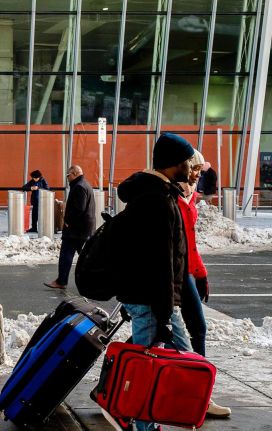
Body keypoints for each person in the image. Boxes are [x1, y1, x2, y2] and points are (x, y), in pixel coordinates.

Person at [106, 133, 195, 431]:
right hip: (151, 297)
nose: (189, 167)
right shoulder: (157, 200)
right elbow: (160, 260)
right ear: (173, 164)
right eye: (185, 162)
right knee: (149, 365)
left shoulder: (156, 193)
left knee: (168, 358)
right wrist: (165, 309)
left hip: (152, 296)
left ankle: (144, 416)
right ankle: (142, 424)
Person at [177, 150, 231, 418]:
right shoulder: (174, 198)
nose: (199, 175)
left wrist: (201, 273)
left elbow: (191, 243)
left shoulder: (189, 198)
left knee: (164, 333)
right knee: (195, 329)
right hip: (176, 275)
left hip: (186, 273)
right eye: (196, 169)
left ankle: (196, 393)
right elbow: (182, 246)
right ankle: (201, 396)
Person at [44, 165, 95, 290]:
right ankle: (91, 282)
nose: (67, 178)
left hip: (76, 230)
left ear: (75, 173)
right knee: (85, 257)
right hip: (83, 229)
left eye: (68, 175)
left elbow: (79, 208)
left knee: (67, 255)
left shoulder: (79, 187)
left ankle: (62, 281)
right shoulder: (85, 185)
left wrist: (68, 221)